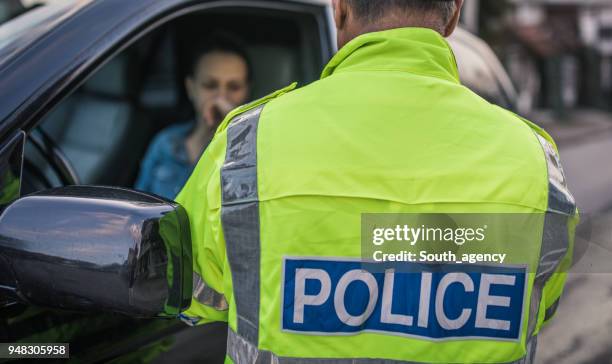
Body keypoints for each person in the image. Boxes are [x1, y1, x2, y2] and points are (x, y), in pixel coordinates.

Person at [176, 1, 578, 363]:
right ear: (454, 13)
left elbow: (190, 290)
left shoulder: (248, 147)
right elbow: (540, 304)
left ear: (340, 9)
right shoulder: (535, 163)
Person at [135, 33, 251, 199]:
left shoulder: (254, 151)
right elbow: (136, 205)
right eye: (210, 85)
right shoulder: (165, 142)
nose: (221, 98)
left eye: (234, 87)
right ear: (191, 88)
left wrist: (234, 127)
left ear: (247, 91)